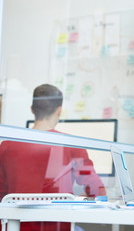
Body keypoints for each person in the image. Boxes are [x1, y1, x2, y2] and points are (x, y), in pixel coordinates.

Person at [0, 84, 106, 231]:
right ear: (59, 111)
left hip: (14, 227)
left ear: (32, 109)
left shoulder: (6, 146)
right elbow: (97, 190)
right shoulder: (72, 145)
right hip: (57, 227)